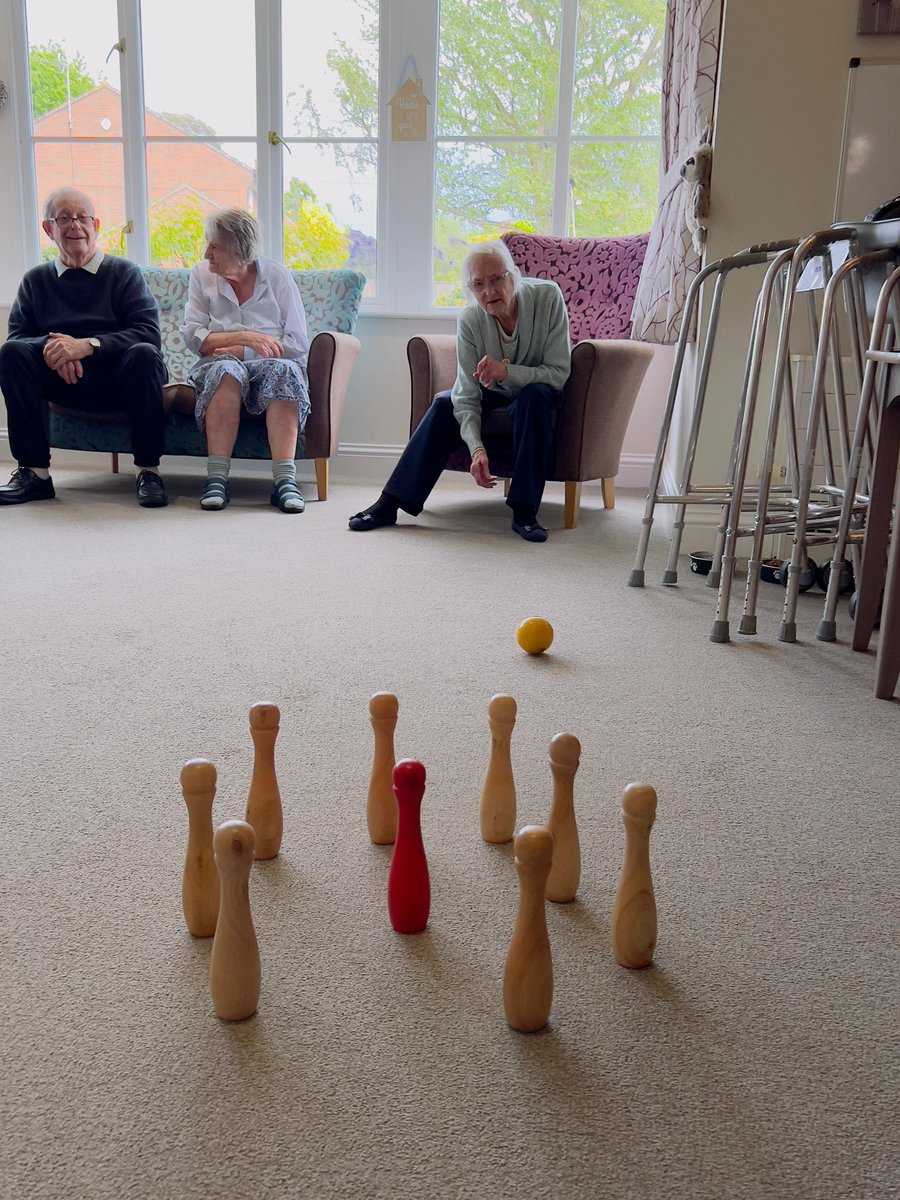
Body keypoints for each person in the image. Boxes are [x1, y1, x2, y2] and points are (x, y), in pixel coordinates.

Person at [349, 239, 570, 542]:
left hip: (537, 390)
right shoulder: (469, 320)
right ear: (470, 289)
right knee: (444, 403)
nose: (489, 292)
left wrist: (507, 371)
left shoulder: (547, 297)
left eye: (496, 279)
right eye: (478, 284)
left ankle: (525, 511)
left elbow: (558, 373)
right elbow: (466, 394)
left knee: (534, 399)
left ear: (513, 275)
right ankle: (390, 503)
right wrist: (477, 449)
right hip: (490, 392)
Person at [0, 187, 169, 507]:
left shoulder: (124, 273)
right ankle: (34, 474)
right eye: (64, 218)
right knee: (12, 354)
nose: (75, 225)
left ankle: (148, 471)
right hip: (63, 382)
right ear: (49, 229)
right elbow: (18, 337)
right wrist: (55, 349)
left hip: (118, 380)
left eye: (83, 218)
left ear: (97, 225)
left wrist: (87, 346)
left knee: (145, 353)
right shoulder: (35, 280)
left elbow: (148, 333)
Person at [180, 208, 310, 513]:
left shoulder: (277, 276)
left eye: (215, 246)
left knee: (285, 371)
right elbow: (194, 338)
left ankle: (284, 482)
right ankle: (216, 479)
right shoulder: (201, 275)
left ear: (240, 249)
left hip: (271, 365)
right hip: (217, 365)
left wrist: (242, 352)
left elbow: (297, 343)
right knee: (225, 370)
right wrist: (246, 338)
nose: (206, 253)